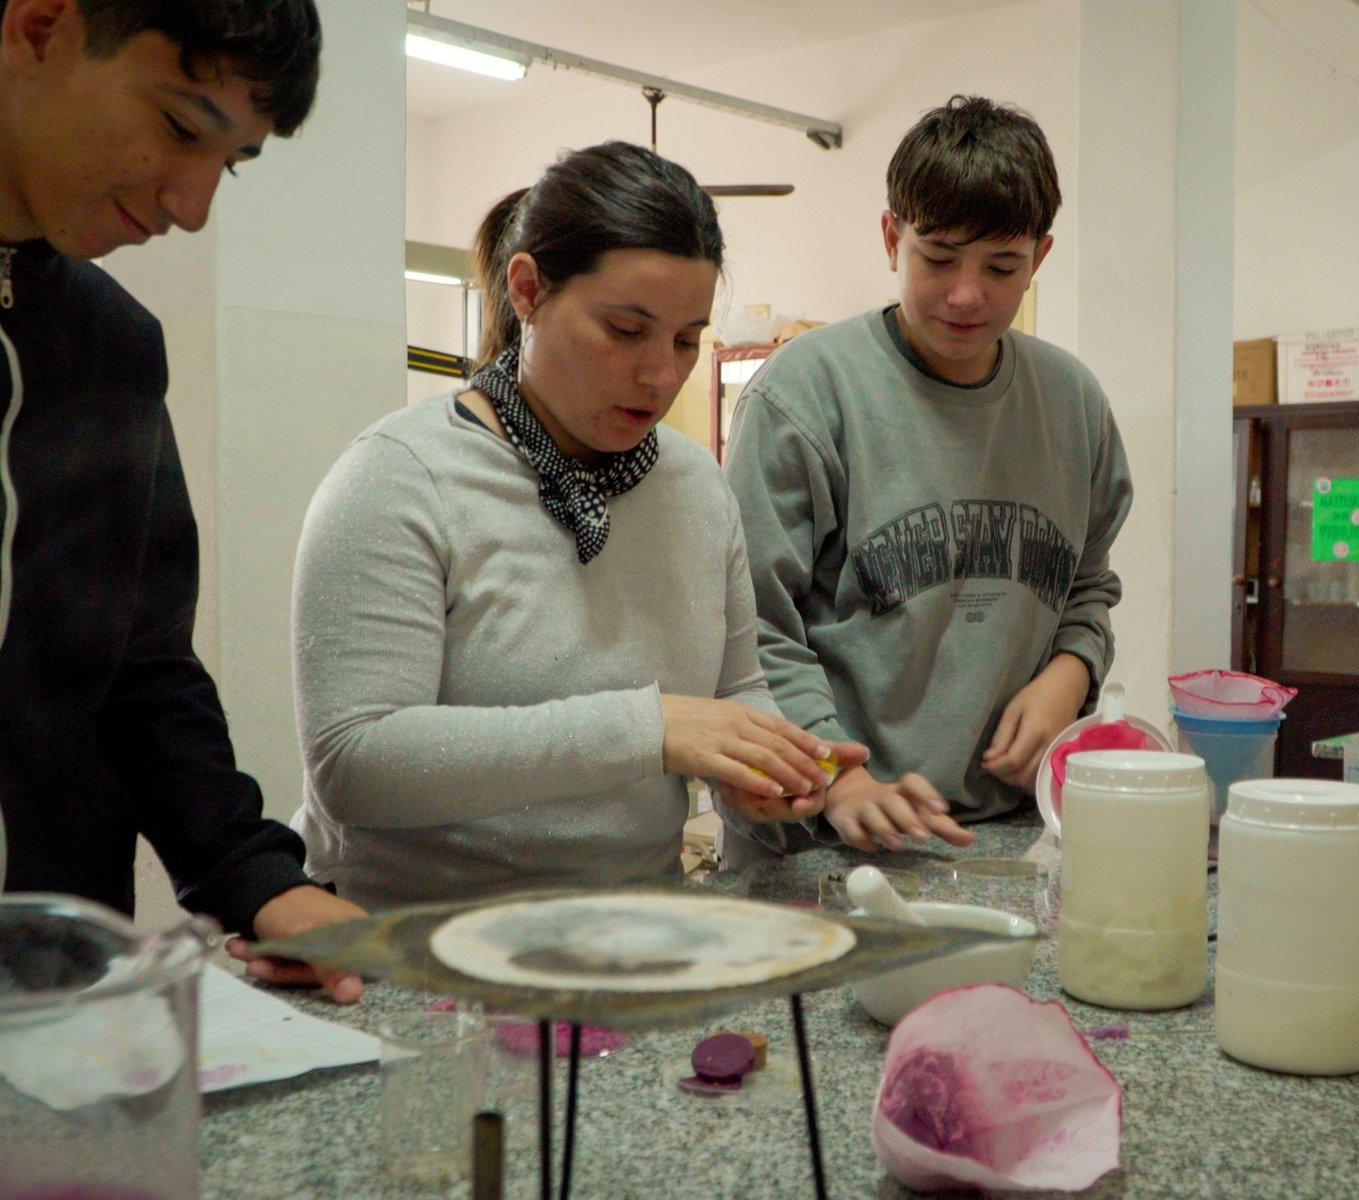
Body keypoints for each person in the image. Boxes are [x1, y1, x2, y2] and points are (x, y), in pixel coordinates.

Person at [290, 142, 866, 909]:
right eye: (625, 330)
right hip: (422, 938)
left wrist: (767, 767)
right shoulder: (400, 478)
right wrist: (647, 729)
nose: (661, 374)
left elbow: (736, 689)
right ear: (528, 291)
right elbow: (355, 764)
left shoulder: (695, 486)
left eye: (686, 340)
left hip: (635, 928)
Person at [0, 0, 362, 1000]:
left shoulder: (112, 347)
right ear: (40, 28)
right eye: (178, 125)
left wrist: (259, 880)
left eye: (229, 162)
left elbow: (141, 669)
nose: (192, 207)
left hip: (56, 996)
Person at [723, 96, 1133, 852]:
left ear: (1039, 258)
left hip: (1003, 831)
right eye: (938, 258)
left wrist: (1070, 671)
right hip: (822, 840)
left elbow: (1088, 585)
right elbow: (751, 628)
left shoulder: (1072, 403)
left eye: (1002, 266)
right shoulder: (804, 396)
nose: (967, 294)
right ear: (892, 238)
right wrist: (836, 776)